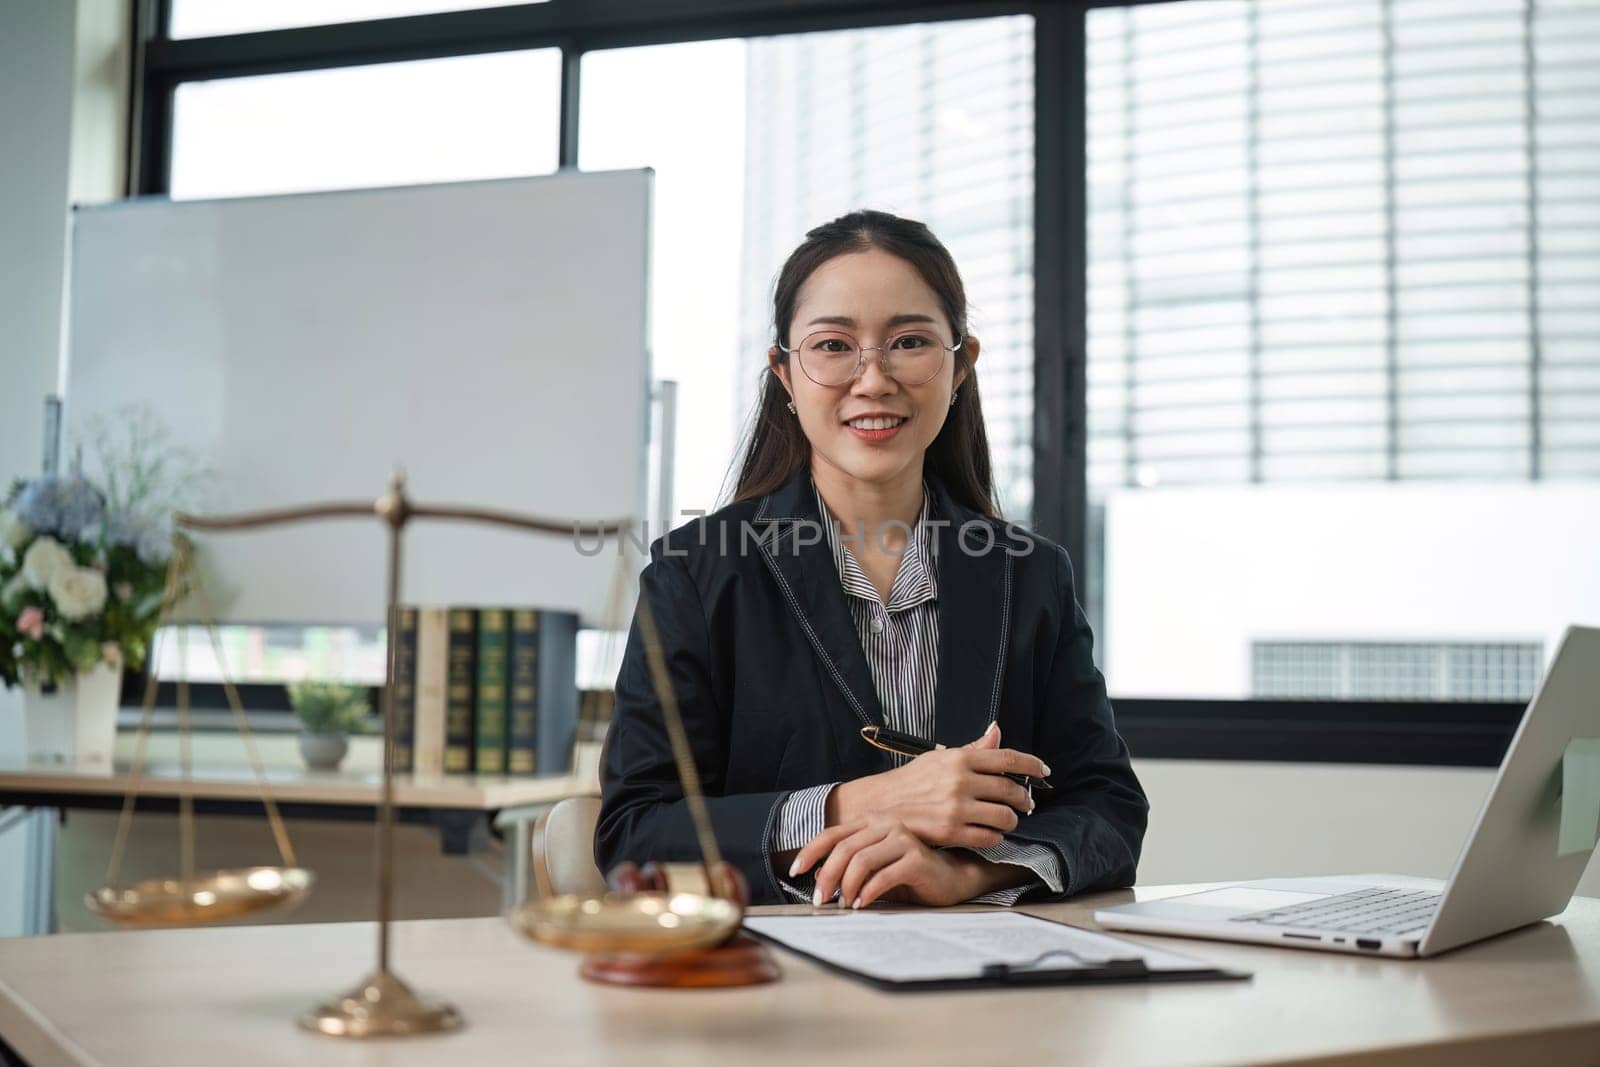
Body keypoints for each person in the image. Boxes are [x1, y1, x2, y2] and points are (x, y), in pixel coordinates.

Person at [596, 209, 1148, 908]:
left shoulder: (1030, 573)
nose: (874, 378)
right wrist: (863, 802)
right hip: (774, 981)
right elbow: (635, 833)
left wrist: (969, 874)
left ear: (960, 365)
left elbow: (1109, 809)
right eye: (833, 345)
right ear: (785, 376)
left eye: (909, 341)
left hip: (977, 981)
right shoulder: (693, 572)